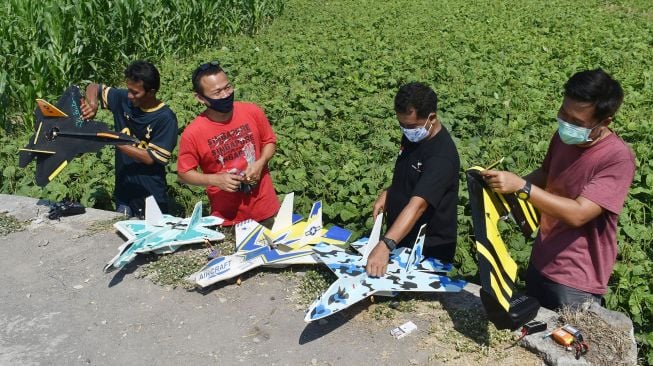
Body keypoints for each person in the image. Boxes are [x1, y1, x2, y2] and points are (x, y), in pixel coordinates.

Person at [481, 69, 635, 310]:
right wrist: (504, 187)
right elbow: (546, 174)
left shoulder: (617, 158)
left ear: (605, 122)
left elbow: (578, 214)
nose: (565, 123)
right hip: (542, 259)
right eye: (563, 112)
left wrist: (521, 186)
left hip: (576, 278)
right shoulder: (564, 137)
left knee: (568, 343)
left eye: (577, 122)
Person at [366, 82, 460, 277]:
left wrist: (386, 244)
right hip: (402, 239)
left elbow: (418, 205)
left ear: (431, 118)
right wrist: (390, 192)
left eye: (410, 126)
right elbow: (411, 173)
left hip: (426, 252)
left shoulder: (441, 157)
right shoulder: (414, 136)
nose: (406, 130)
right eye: (401, 124)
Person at [177, 61, 280, 227]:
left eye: (228, 87)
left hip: (267, 209)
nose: (225, 95)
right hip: (228, 220)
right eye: (217, 92)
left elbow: (269, 141)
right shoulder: (193, 133)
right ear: (200, 98)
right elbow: (183, 174)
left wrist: (260, 163)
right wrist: (216, 180)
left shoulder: (251, 111)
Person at [81, 60, 178, 216]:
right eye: (128, 90)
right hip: (124, 188)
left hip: (150, 193)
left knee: (154, 236)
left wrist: (115, 140)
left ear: (151, 92)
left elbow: (150, 158)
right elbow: (94, 87)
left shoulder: (165, 119)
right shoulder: (124, 100)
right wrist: (92, 102)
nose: (129, 95)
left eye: (135, 92)